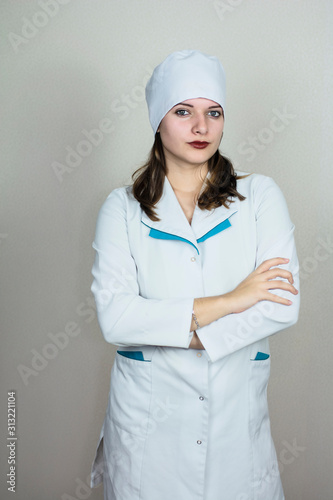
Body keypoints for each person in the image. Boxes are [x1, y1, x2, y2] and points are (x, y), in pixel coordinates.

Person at [89, 50, 300, 500]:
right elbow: (116, 319)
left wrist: (177, 329)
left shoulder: (259, 196)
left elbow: (282, 305)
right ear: (157, 121)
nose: (201, 127)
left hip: (235, 423)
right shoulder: (121, 208)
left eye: (214, 113)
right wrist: (233, 300)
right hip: (148, 430)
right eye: (183, 111)